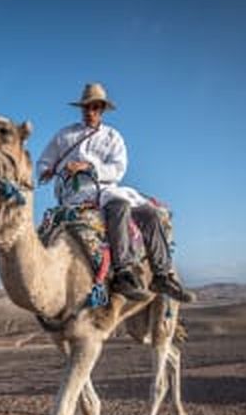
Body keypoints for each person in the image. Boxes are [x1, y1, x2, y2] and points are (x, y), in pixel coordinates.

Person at [37, 82, 193, 303]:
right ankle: (122, 272)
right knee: (119, 206)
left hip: (106, 187)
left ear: (102, 110)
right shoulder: (65, 136)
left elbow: (118, 169)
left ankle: (162, 274)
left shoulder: (113, 137)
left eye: (95, 107)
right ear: (81, 109)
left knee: (149, 213)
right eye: (87, 108)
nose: (90, 112)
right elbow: (44, 162)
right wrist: (54, 170)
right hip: (77, 193)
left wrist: (89, 167)